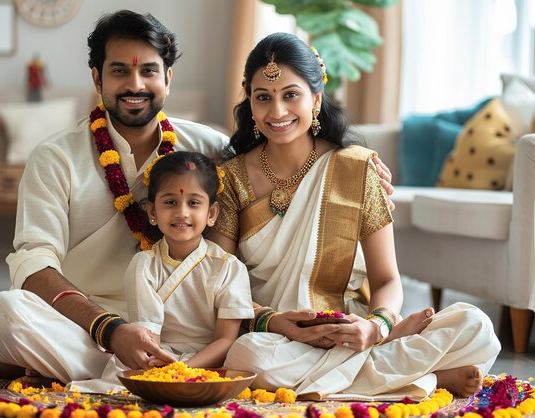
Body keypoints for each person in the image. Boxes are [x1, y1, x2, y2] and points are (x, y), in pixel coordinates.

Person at [0, 10, 394, 391]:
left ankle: (61, 369)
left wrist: (355, 170)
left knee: (245, 350)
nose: (135, 84)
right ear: (97, 78)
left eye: (149, 71)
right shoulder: (55, 158)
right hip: (88, 326)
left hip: (194, 329)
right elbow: (33, 264)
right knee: (2, 312)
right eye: (119, 72)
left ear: (168, 78)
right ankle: (94, 362)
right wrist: (111, 329)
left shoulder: (208, 147)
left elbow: (277, 162)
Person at [209, 32, 501, 400]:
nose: (277, 111)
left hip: (349, 327)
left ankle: (380, 358)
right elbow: (221, 282)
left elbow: (387, 278)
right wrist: (272, 320)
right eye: (263, 97)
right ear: (250, 104)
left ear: (315, 100)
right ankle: (429, 375)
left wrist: (376, 327)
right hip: (273, 334)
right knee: (248, 356)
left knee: (476, 326)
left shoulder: (356, 169)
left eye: (291, 95)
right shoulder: (230, 177)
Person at [124, 151, 253, 369]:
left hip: (211, 361)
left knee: (255, 349)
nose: (182, 212)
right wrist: (165, 366)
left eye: (193, 203)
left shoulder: (228, 267)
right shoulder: (143, 265)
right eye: (171, 202)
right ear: (152, 211)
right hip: (157, 357)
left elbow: (225, 340)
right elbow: (148, 338)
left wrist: (187, 369)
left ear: (211, 213)